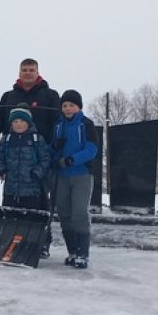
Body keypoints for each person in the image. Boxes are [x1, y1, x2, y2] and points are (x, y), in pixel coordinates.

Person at [51, 90, 99, 269]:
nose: (68, 108)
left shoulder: (86, 124)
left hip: (81, 174)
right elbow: (52, 148)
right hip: (61, 176)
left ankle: (83, 253)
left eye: (71, 105)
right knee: (64, 213)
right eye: (65, 105)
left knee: (79, 212)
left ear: (78, 107)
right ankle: (72, 251)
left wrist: (72, 159)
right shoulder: (58, 126)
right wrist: (55, 150)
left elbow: (92, 149)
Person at [0, 58, 60, 143]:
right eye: (24, 70)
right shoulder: (7, 96)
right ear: (19, 73)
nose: (28, 73)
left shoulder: (51, 95)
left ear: (37, 73)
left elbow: (58, 122)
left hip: (42, 151)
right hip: (11, 150)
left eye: (31, 70)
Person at [0, 108, 52, 209]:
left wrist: (37, 173)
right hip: (10, 190)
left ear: (28, 123)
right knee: (9, 218)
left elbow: (46, 159)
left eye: (22, 121)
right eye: (15, 121)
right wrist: (2, 170)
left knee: (31, 220)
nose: (18, 124)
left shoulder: (37, 139)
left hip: (32, 191)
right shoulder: (7, 139)